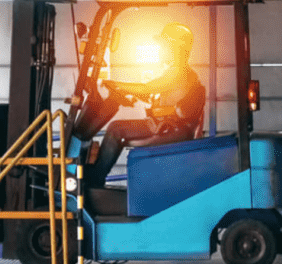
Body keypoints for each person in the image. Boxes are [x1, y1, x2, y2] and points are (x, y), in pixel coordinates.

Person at [85, 22, 205, 187]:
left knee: (115, 129)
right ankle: (97, 176)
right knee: (117, 129)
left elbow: (149, 88)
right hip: (166, 125)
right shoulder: (178, 71)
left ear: (176, 47)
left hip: (167, 127)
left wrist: (117, 85)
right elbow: (153, 95)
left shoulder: (179, 71)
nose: (162, 49)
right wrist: (129, 93)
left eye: (164, 45)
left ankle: (95, 179)